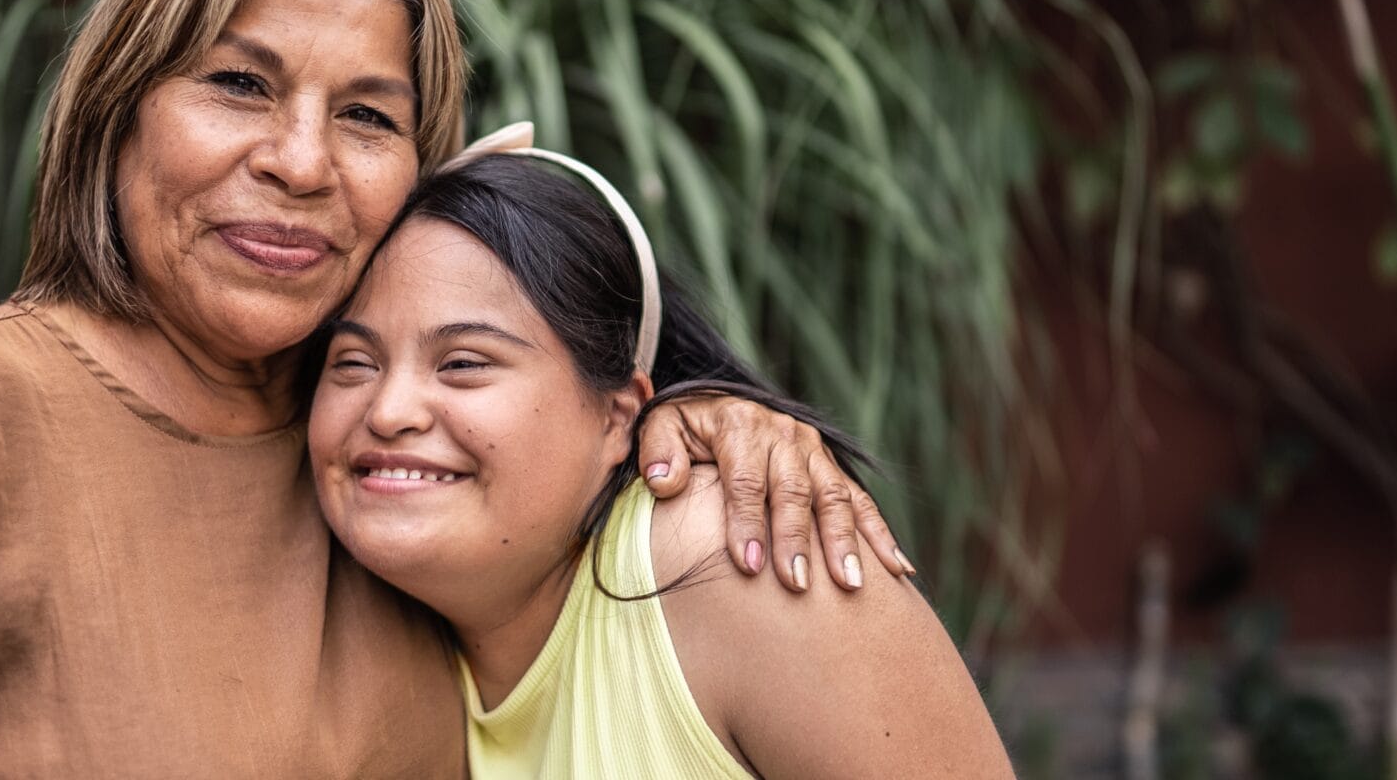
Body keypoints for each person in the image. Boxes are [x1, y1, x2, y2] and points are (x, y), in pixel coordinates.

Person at [0, 0, 904, 777]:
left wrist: (688, 415)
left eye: (368, 115)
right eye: (239, 83)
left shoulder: (399, 463)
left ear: (421, 173)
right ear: (120, 105)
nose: (300, 161)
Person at [308, 129, 1014, 779]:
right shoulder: (374, 633)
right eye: (352, 364)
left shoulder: (732, 554)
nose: (389, 410)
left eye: (463, 363)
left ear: (619, 416)